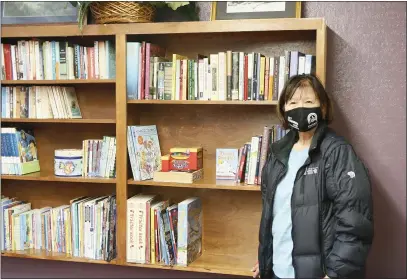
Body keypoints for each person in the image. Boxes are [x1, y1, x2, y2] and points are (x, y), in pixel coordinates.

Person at [252, 74, 374, 279]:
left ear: (323, 108)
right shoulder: (277, 154)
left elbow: (356, 223)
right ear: (284, 109)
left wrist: (335, 273)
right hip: (277, 271)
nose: (301, 108)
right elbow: (274, 215)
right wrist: (266, 258)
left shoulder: (337, 153)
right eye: (293, 102)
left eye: (309, 101)